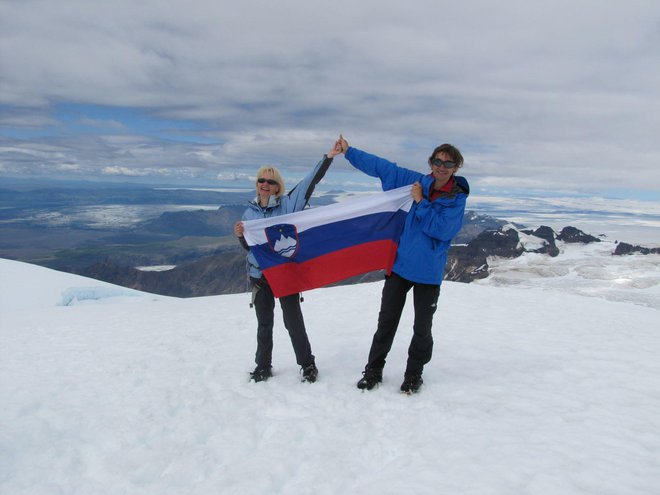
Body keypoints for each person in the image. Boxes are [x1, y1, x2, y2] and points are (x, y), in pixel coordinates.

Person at [335, 135, 469, 393]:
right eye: (437, 161)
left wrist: (420, 201)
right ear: (431, 162)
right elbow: (384, 168)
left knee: (422, 328)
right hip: (400, 267)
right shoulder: (417, 181)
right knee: (386, 323)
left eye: (448, 163)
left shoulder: (456, 199)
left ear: (456, 168)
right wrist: (349, 152)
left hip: (428, 274)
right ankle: (373, 370)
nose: (441, 166)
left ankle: (413, 375)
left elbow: (441, 229)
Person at [234, 143, 342, 383]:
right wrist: (242, 235)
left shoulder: (288, 204)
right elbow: (250, 248)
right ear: (257, 183)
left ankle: (308, 364)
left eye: (271, 182)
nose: (266, 184)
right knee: (265, 324)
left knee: (293, 322)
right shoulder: (249, 214)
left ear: (278, 186)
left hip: (284, 274)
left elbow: (308, 183)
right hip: (260, 275)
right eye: (262, 180)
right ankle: (263, 366)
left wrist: (328, 157)